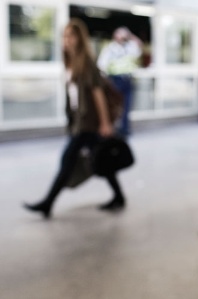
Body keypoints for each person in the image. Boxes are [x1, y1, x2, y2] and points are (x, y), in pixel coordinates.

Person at [24, 19, 126, 219]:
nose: (67, 40)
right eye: (65, 35)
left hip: (88, 124)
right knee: (100, 161)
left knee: (69, 161)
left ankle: (47, 203)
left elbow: (97, 94)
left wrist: (105, 123)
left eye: (71, 35)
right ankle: (119, 196)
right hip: (78, 122)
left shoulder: (86, 63)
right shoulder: (69, 63)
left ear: (80, 39)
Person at [97, 26, 142, 137]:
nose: (122, 38)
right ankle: (112, 128)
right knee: (115, 106)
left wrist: (130, 35)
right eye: (120, 35)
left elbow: (139, 45)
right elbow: (101, 65)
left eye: (124, 35)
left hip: (128, 80)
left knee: (127, 107)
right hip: (115, 80)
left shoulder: (130, 47)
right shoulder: (110, 49)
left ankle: (124, 129)